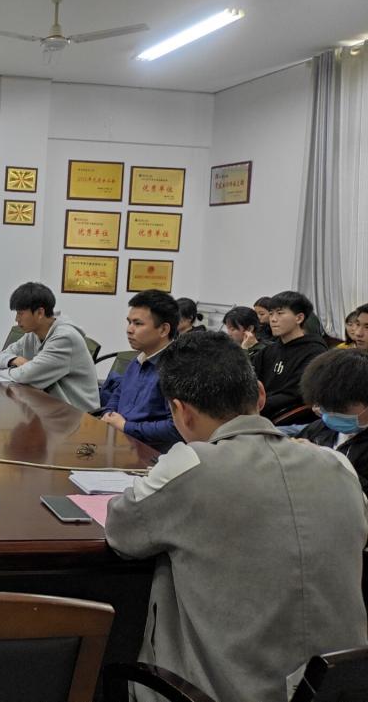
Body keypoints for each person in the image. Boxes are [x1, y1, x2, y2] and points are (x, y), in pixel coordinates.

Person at [105, 332, 368, 702]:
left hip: (218, 692)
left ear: (180, 410)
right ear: (260, 394)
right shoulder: (338, 465)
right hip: (338, 689)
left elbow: (122, 534)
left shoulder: (188, 465)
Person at [0, 282, 99, 411]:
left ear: (40, 313)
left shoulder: (65, 338)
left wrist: (1, 372)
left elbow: (26, 376)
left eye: (20, 313)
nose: (16, 319)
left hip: (77, 415)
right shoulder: (33, 334)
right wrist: (14, 360)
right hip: (47, 408)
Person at [100, 290, 181, 451]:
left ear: (163, 330)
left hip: (151, 454)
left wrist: (126, 426)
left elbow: (175, 427)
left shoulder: (176, 368)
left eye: (138, 324)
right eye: (129, 322)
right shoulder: (138, 360)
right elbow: (118, 395)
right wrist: (109, 414)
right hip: (122, 444)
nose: (129, 329)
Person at [297, 348, 368, 493]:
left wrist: (327, 461)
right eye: (327, 406)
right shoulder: (318, 429)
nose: (332, 414)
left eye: (341, 408)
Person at [251, 290, 327, 421]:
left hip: (288, 419)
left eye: (280, 313)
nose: (273, 319)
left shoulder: (315, 352)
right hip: (258, 411)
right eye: (271, 313)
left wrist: (254, 407)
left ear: (299, 318)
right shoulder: (269, 350)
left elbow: (295, 395)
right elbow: (251, 379)